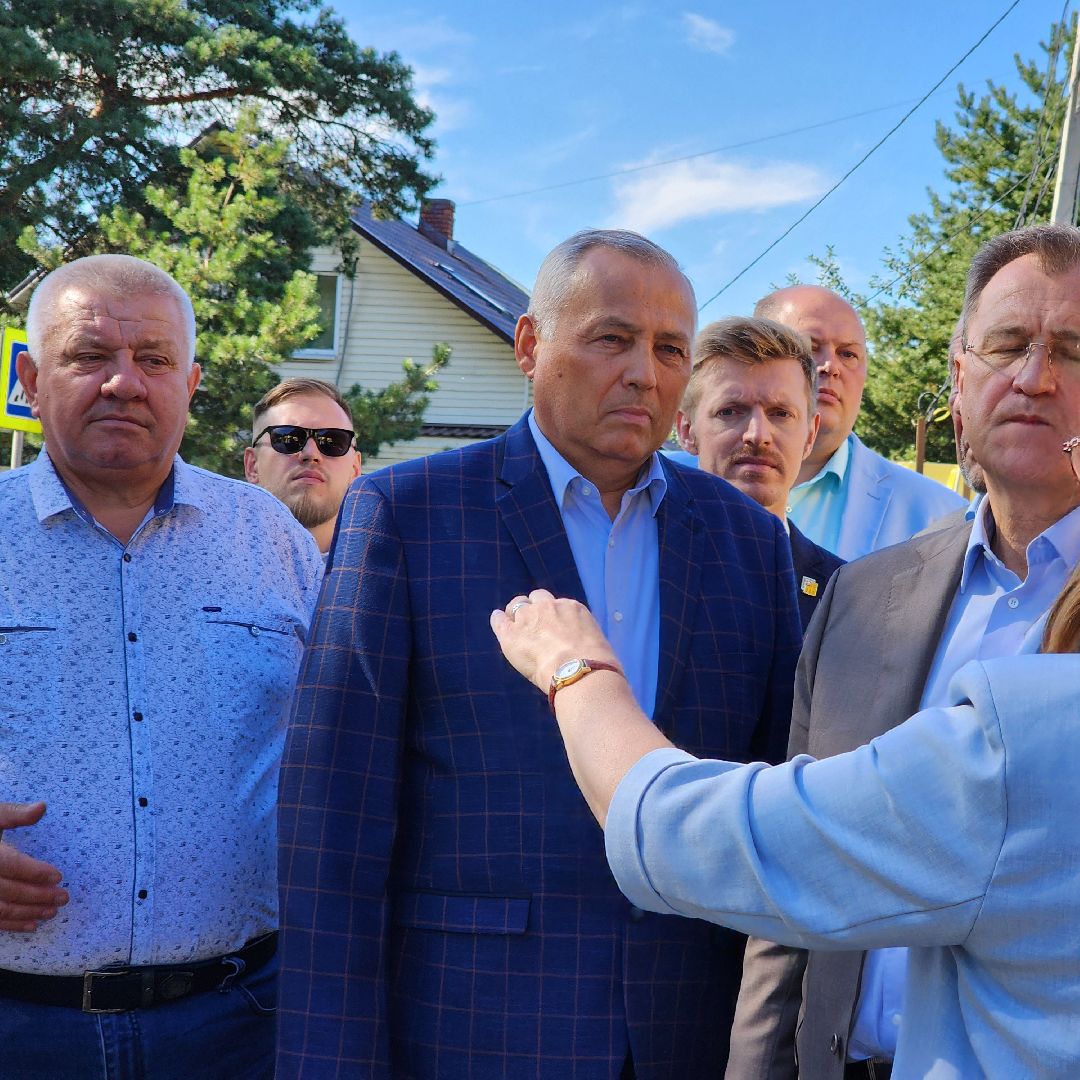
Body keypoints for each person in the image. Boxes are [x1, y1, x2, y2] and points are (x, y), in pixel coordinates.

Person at [491, 245, 1080, 1077]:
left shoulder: (1045, 729)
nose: (1073, 431)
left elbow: (699, 836)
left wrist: (580, 672)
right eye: (1005, 346)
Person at [277, 229, 801, 1079]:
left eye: (671, 349)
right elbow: (332, 826)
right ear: (530, 345)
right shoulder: (407, 517)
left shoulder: (748, 540)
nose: (645, 372)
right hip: (470, 1032)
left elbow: (772, 800)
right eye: (611, 338)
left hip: (688, 1035)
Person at [729, 225, 1080, 1079]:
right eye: (1006, 345)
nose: (1033, 379)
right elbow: (794, 872)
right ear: (960, 380)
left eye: (1074, 351)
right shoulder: (861, 595)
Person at [0, 254, 321, 1078]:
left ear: (192, 381)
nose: (124, 384)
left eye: (153, 360)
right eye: (87, 357)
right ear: (31, 379)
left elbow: (349, 741)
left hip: (239, 1027)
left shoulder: (271, 541)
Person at [754, 285, 965, 560]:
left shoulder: (940, 519)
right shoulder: (682, 483)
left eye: (848, 354)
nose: (830, 366)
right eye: (808, 347)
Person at [675, 315, 843, 628]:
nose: (758, 434)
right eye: (730, 412)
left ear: (809, 435)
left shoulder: (844, 594)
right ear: (687, 430)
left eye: (781, 414)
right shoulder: (642, 568)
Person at [244, 377, 362, 554]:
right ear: (253, 465)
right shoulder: (210, 562)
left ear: (355, 470)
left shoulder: (391, 571)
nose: (311, 454)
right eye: (288, 439)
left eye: (332, 441)